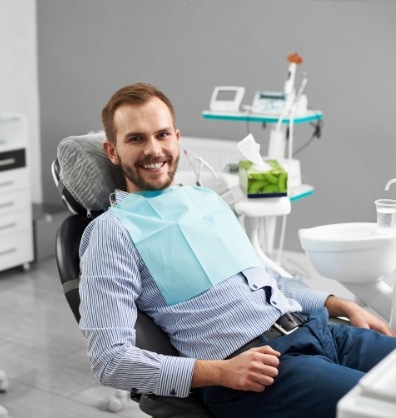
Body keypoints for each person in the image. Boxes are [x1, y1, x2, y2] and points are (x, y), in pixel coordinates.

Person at [79, 82, 396, 418]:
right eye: (136, 138)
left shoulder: (206, 201)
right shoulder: (110, 233)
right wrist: (220, 372)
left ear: (176, 137)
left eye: (162, 135)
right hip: (256, 371)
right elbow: (110, 361)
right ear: (112, 151)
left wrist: (341, 304)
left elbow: (264, 276)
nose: (153, 149)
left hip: (318, 331)